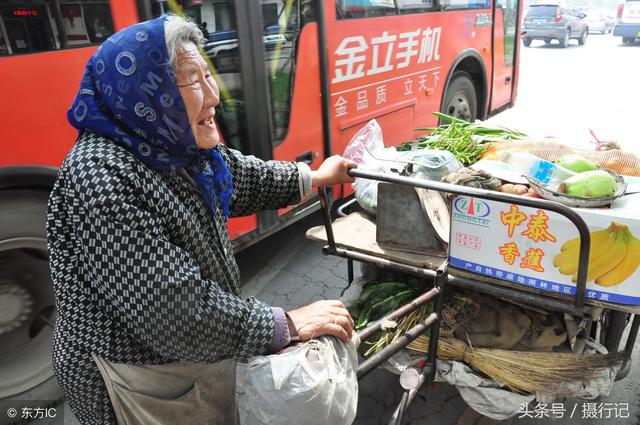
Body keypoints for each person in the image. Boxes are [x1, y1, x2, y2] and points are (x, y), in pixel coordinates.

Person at [47, 14, 356, 425]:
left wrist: (314, 177)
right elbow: (171, 308)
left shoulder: (168, 144)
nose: (214, 96)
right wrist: (284, 325)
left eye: (209, 75)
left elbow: (240, 176)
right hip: (134, 376)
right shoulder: (101, 176)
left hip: (186, 360)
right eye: (193, 81)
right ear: (146, 92)